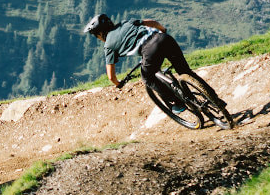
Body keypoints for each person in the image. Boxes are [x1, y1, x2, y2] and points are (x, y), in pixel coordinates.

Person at [84, 12, 235, 125]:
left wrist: (119, 84)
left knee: (147, 77)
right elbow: (152, 22)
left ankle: (176, 103)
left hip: (149, 50)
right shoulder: (125, 23)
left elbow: (111, 76)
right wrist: (162, 30)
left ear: (100, 33)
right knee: (185, 72)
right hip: (164, 39)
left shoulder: (108, 45)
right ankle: (215, 99)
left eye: (96, 36)